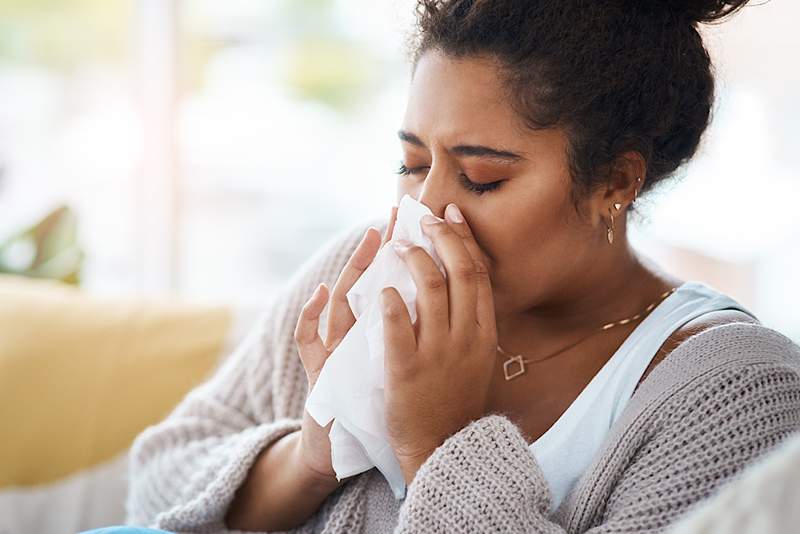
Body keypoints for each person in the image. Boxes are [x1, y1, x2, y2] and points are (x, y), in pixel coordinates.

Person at [121, 1, 800, 532]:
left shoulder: (744, 395)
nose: (429, 209)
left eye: (479, 178)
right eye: (412, 165)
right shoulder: (366, 276)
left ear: (615, 182)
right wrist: (314, 456)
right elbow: (158, 481)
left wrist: (439, 445)